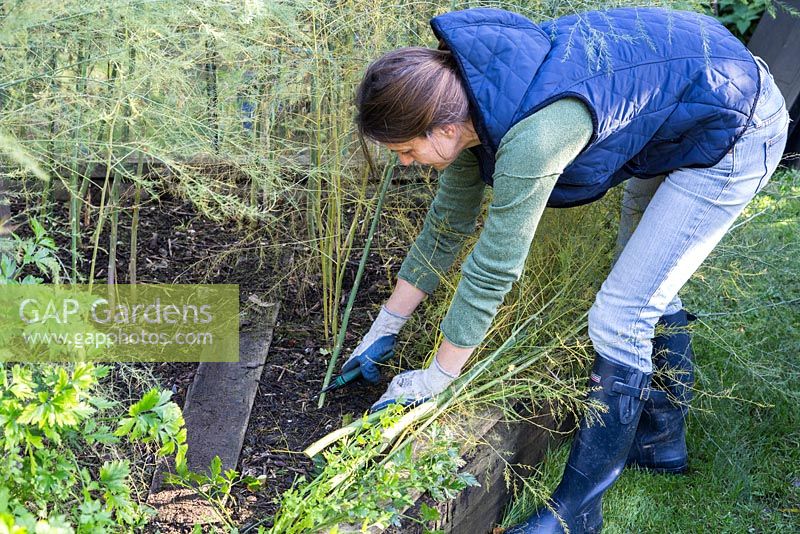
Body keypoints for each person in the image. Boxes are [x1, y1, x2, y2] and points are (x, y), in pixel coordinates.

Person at [340, 6, 789, 532]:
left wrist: (438, 378)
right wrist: (385, 327)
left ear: (440, 126)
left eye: (406, 150)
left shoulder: (534, 135)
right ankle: (662, 442)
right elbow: (446, 227)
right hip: (683, 110)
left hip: (737, 122)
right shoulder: (470, 107)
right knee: (646, 276)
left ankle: (577, 511)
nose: (405, 163)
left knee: (623, 312)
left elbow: (494, 265)